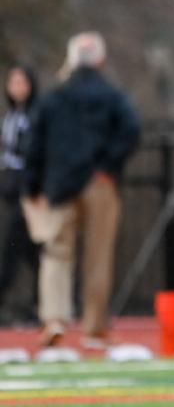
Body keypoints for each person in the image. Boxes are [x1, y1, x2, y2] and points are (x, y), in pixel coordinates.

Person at [25, 32, 140, 350]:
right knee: (97, 256)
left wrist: (33, 185)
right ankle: (94, 327)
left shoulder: (53, 96)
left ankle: (54, 319)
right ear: (101, 60)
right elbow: (131, 130)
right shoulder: (112, 95)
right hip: (98, 182)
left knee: (56, 252)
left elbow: (34, 143)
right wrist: (108, 166)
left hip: (59, 183)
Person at [0, 65, 40, 324]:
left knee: (14, 248)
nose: (17, 87)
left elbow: (32, 153)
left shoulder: (34, 116)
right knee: (31, 251)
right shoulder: (10, 116)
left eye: (22, 81)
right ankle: (44, 302)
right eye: (13, 81)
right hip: (10, 189)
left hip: (28, 190)